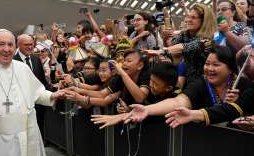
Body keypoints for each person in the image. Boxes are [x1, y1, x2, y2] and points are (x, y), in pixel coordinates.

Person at [91, 46, 252, 129]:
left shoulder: (245, 87)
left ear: (231, 68)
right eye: (207, 64)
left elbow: (235, 110)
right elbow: (178, 102)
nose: (209, 69)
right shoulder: (200, 84)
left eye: (216, 65)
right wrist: (147, 110)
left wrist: (193, 115)